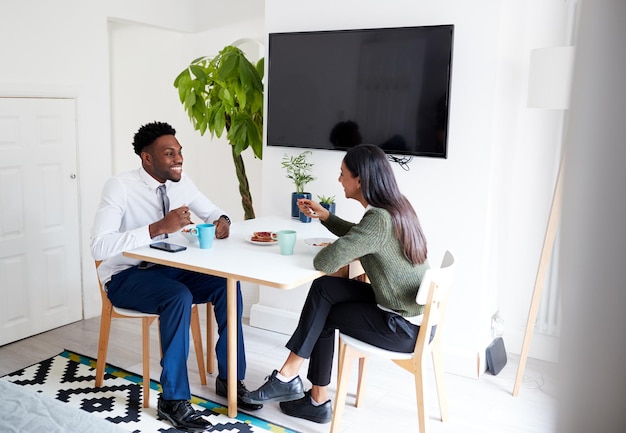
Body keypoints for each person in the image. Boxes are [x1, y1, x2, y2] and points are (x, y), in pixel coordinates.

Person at [90, 121, 261, 432]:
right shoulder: (120, 186)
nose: (178, 159)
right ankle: (173, 399)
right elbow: (99, 245)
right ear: (147, 158)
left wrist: (222, 222)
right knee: (177, 297)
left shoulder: (181, 182)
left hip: (168, 268)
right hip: (126, 277)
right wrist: (157, 228)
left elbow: (214, 213)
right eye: (169, 154)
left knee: (227, 283)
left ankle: (231, 379)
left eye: (179, 152)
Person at [242, 143, 430, 424]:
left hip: (401, 328)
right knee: (324, 290)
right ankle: (301, 388)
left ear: (360, 180)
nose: (339, 179)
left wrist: (334, 242)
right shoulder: (396, 207)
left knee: (324, 310)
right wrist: (328, 217)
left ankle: (299, 386)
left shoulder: (378, 219)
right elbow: (361, 235)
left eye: (343, 174)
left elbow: (325, 262)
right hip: (412, 316)